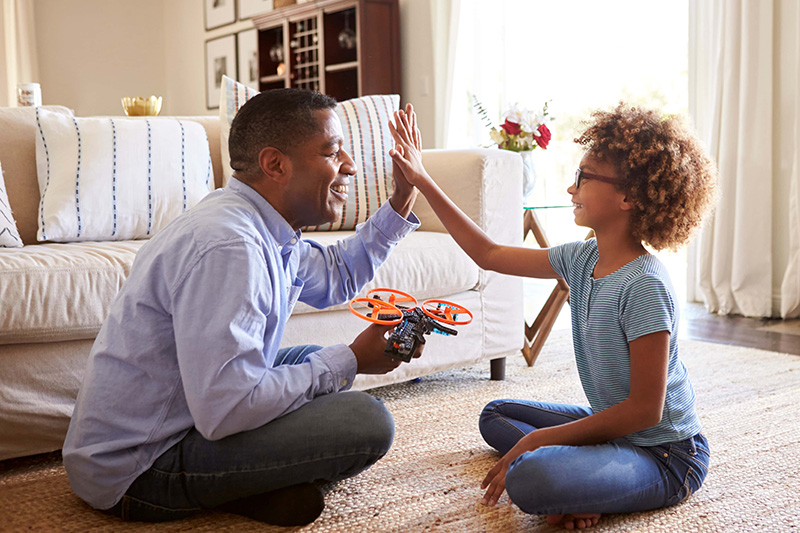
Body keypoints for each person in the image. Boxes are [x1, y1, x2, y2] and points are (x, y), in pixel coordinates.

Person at [63, 89, 422, 526]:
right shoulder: (231, 246)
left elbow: (337, 276)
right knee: (366, 422)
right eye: (332, 151)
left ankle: (254, 486)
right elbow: (226, 410)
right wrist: (351, 359)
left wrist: (403, 195)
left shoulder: (259, 223)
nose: (349, 164)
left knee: (310, 361)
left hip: (189, 415)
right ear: (275, 164)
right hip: (139, 468)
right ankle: (242, 485)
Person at [388, 103, 717, 530]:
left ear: (628, 197)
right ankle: (588, 479)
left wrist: (540, 439)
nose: (570, 188)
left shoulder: (645, 286)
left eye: (583, 177)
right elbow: (489, 254)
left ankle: (585, 481)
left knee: (529, 476)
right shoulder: (581, 259)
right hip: (616, 433)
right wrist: (423, 180)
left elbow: (645, 412)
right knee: (497, 415)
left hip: (666, 455)